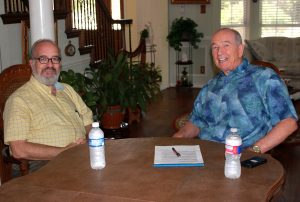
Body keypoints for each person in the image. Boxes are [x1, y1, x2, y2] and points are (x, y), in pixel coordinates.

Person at [173, 28, 298, 154]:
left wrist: (253, 152)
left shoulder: (264, 78)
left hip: (241, 157)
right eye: (215, 47)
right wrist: (179, 137)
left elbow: (288, 122)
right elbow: (196, 122)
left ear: (240, 50)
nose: (219, 52)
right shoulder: (210, 86)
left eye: (226, 45)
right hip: (205, 155)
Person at [3, 39, 93, 167]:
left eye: (55, 59)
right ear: (32, 63)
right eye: (43, 59)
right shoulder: (19, 100)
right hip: (44, 166)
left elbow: (87, 120)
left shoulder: (66, 89)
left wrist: (91, 142)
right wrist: (64, 152)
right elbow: (18, 149)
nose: (50, 65)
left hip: (81, 158)